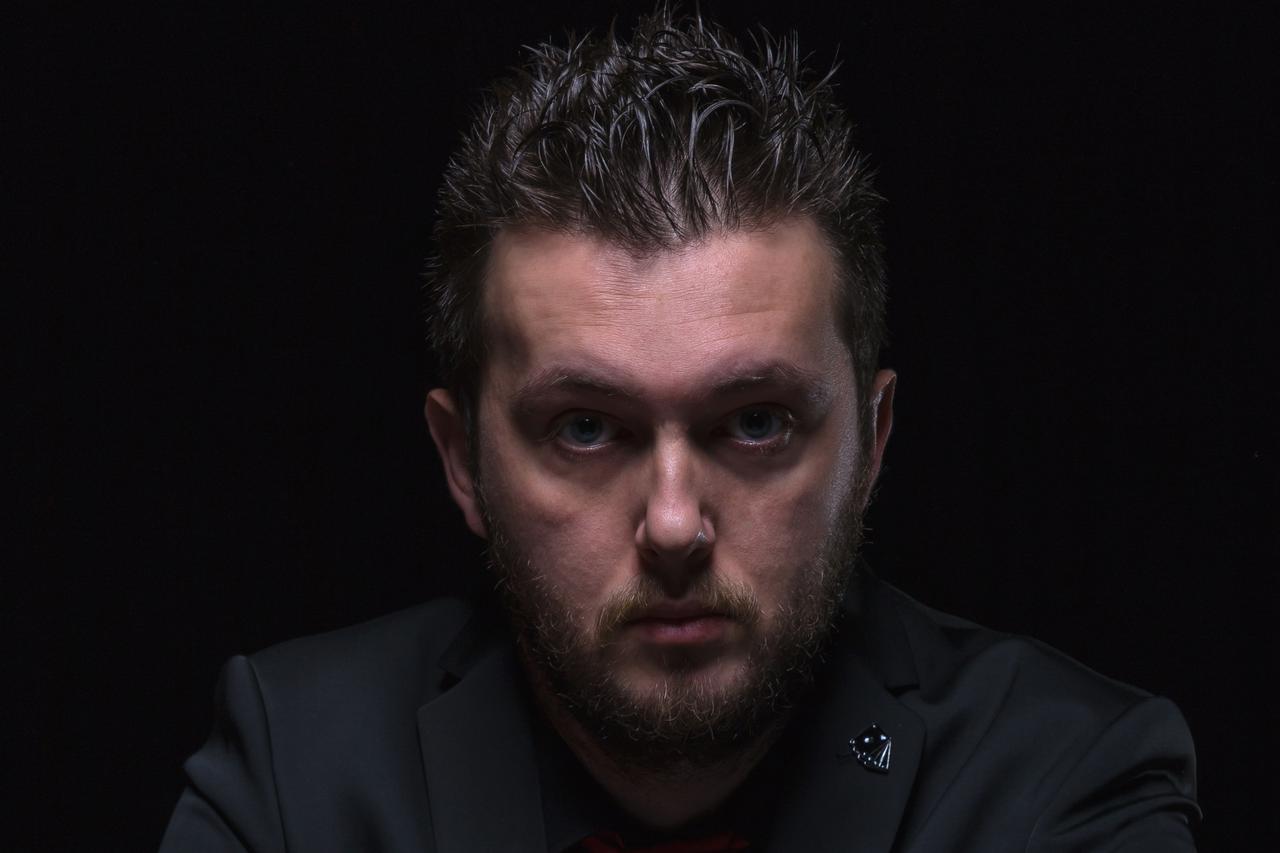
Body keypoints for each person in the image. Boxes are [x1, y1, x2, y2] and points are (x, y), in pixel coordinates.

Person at [159, 8, 1200, 851]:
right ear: (461, 459)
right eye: (583, 428)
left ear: (873, 443)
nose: (671, 525)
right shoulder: (296, 772)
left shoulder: (1062, 779)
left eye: (754, 423)